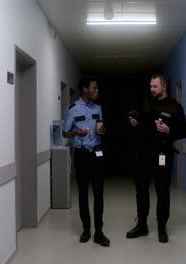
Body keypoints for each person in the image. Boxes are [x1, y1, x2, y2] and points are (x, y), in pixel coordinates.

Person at [126, 74, 186, 243]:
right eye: (151, 86)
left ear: (163, 87)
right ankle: (142, 226)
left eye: (155, 86)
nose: (151, 89)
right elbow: (139, 122)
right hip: (143, 155)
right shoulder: (146, 102)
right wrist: (134, 123)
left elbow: (184, 131)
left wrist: (168, 130)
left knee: (162, 192)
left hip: (163, 154)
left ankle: (162, 228)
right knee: (141, 191)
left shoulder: (175, 107)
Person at [62, 76, 110, 247]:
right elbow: (65, 133)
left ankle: (99, 231)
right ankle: (86, 229)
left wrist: (102, 130)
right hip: (82, 156)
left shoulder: (98, 107)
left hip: (97, 153)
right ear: (85, 89)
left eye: (97, 88)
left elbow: (100, 126)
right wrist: (76, 134)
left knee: (99, 194)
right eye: (94, 88)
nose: (97, 91)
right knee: (83, 194)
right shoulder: (72, 109)